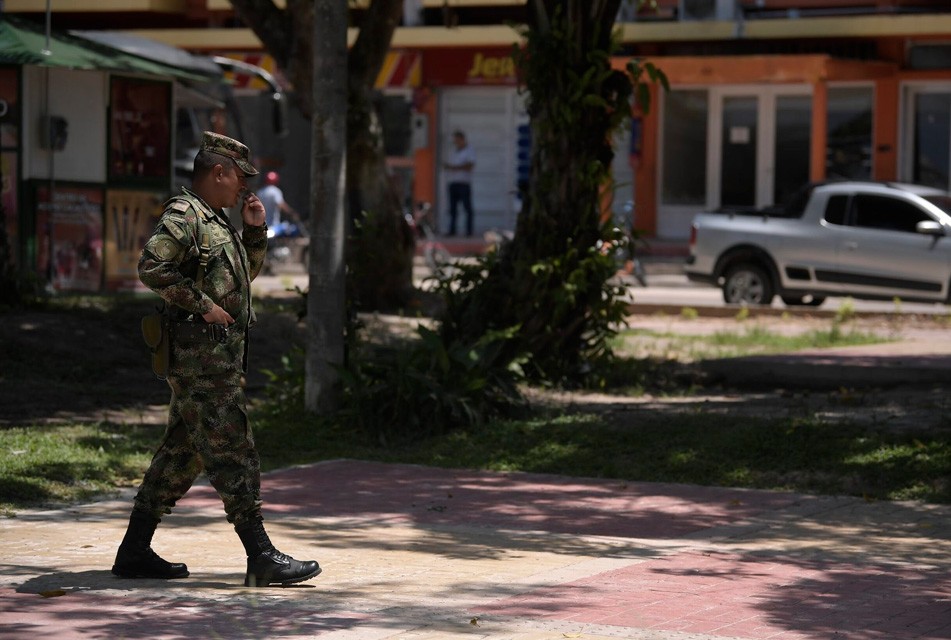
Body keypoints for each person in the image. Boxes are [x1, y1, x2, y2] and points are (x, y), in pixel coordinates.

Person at [112, 131, 321, 588]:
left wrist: (253, 230)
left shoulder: (216, 220)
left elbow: (240, 280)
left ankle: (132, 552)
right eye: (238, 178)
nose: (243, 186)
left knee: (181, 455)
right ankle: (261, 556)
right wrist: (201, 304)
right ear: (218, 171)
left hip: (214, 359)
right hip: (199, 360)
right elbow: (152, 267)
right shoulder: (186, 215)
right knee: (233, 450)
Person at [443, 130, 476, 237]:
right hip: (453, 183)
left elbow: (470, 166)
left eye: (457, 140)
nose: (455, 142)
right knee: (452, 209)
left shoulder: (469, 150)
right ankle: (452, 230)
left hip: (464, 183)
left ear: (462, 139)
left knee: (467, 208)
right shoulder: (454, 151)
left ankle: (469, 231)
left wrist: (455, 168)